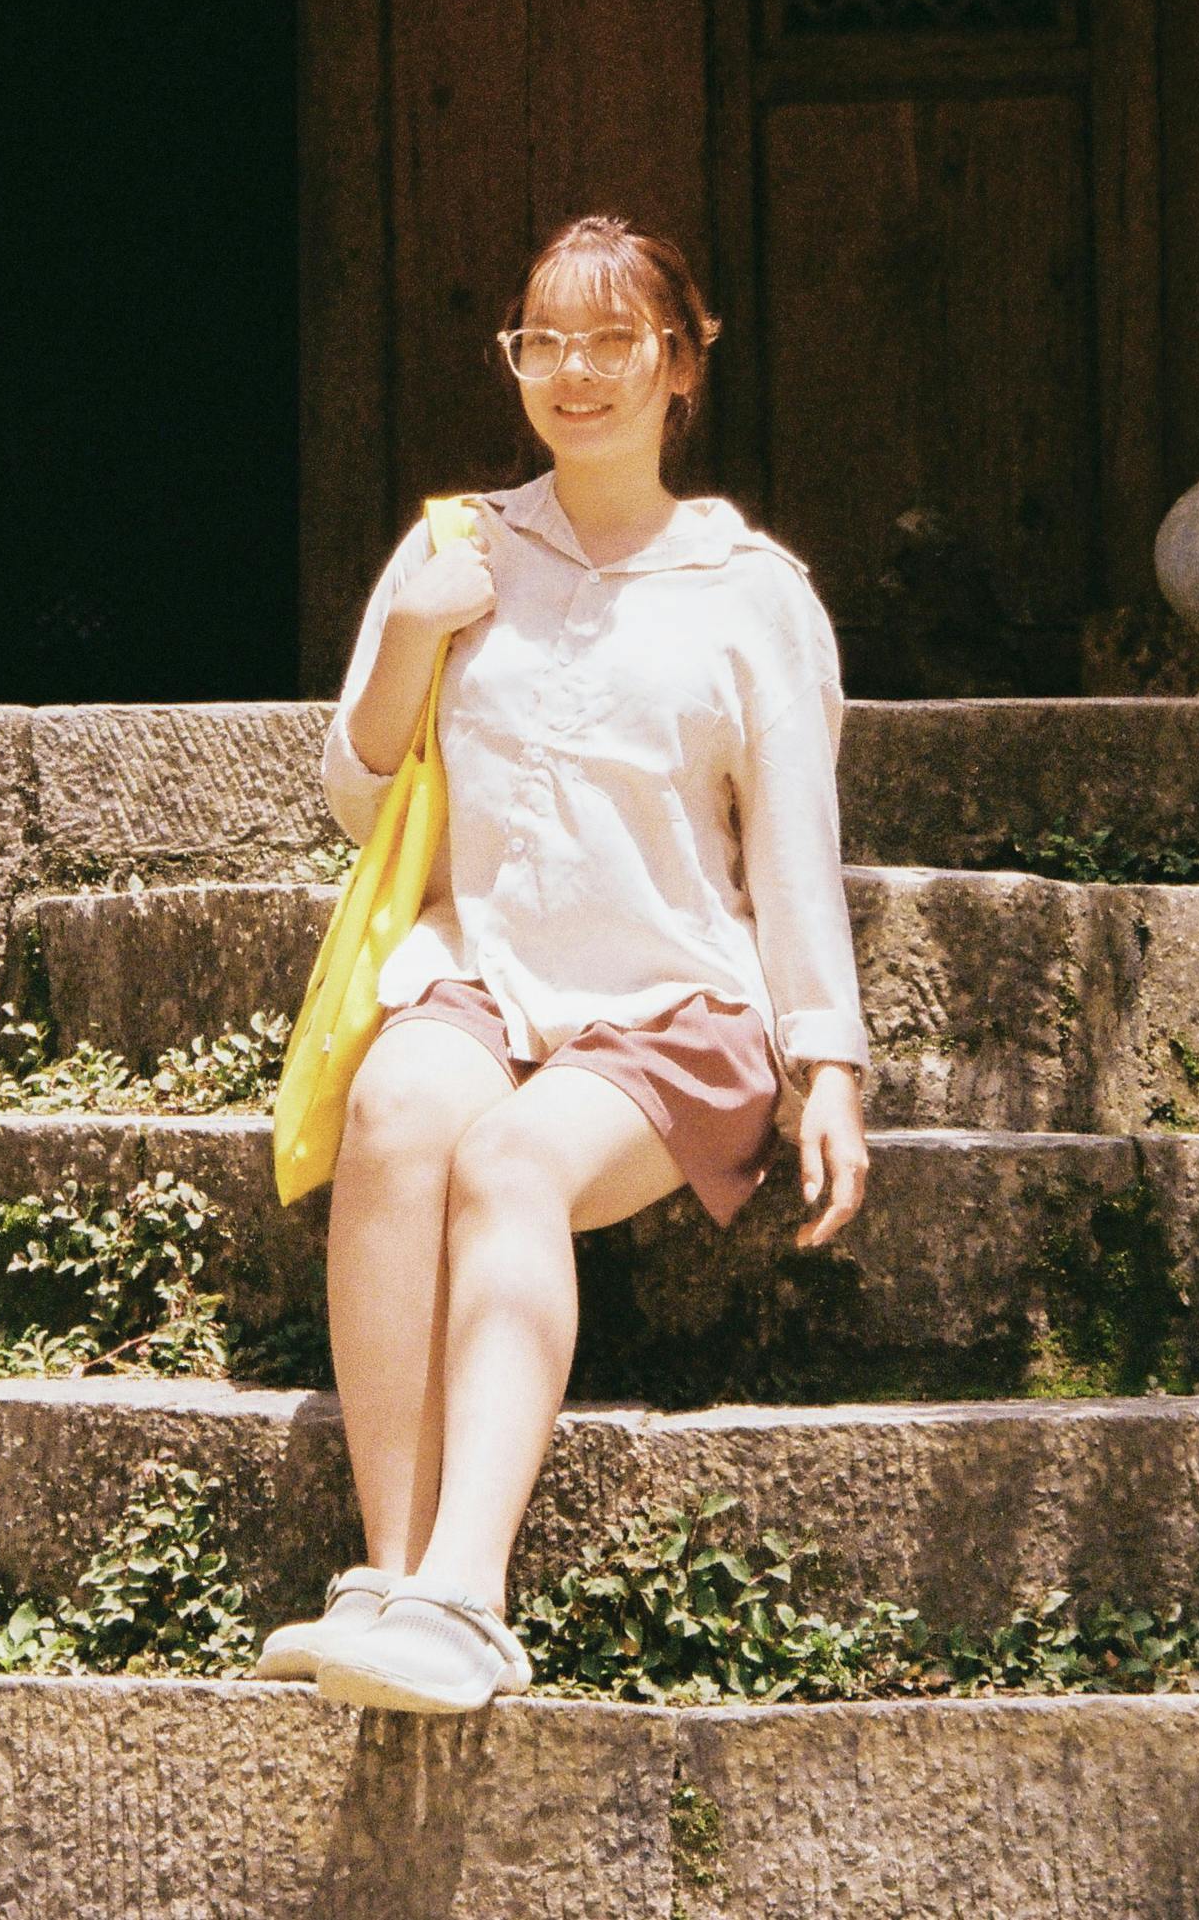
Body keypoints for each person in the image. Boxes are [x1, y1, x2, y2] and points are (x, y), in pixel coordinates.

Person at [258, 213, 870, 1715]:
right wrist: (409, 635)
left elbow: (792, 844)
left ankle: (467, 1598)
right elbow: (357, 790)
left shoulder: (750, 589)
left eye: (613, 340)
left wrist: (829, 1058)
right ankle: (391, 1573)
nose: (575, 370)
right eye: (545, 339)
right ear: (514, 359)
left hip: (674, 1003)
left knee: (516, 1162)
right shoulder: (458, 545)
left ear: (679, 361)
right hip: (483, 967)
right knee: (398, 1113)